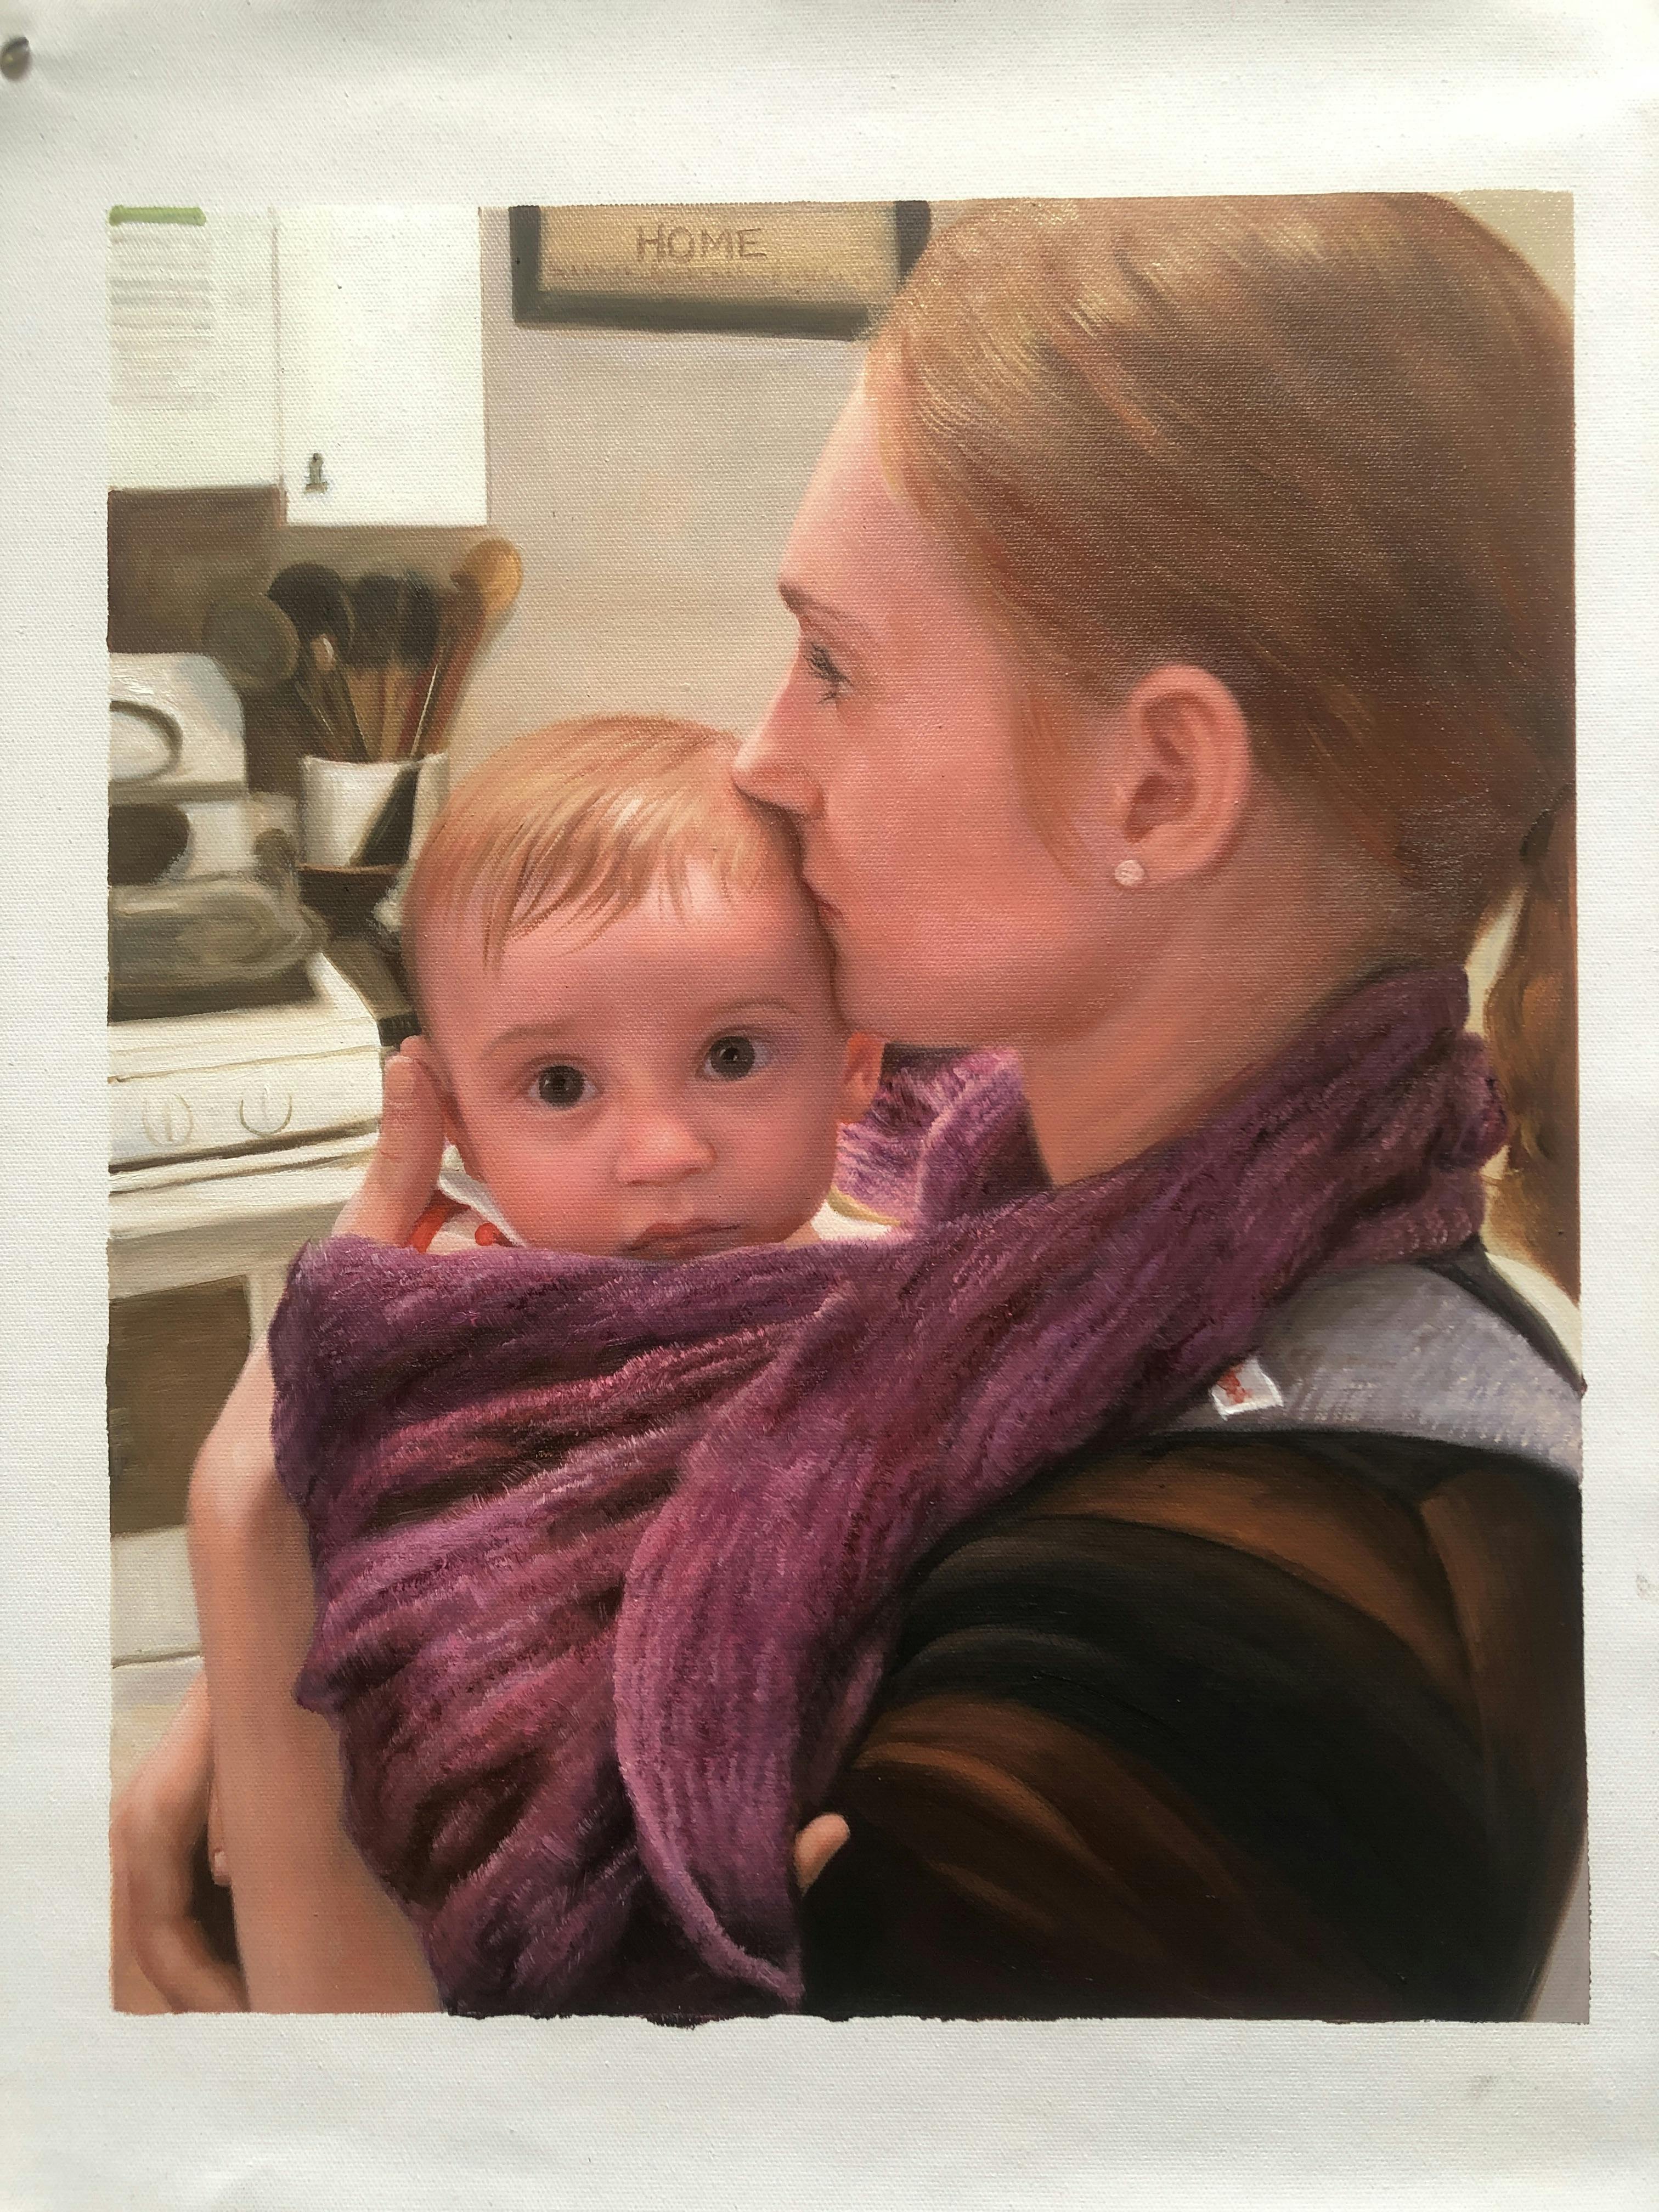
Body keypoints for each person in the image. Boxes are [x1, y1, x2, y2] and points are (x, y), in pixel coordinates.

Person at [116, 193, 1582, 2021]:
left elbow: (429, 2143)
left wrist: (263, 1568)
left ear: (1158, 783)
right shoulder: (985, 1174)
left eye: (835, 664)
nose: (763, 753)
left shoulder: (1233, 1644)